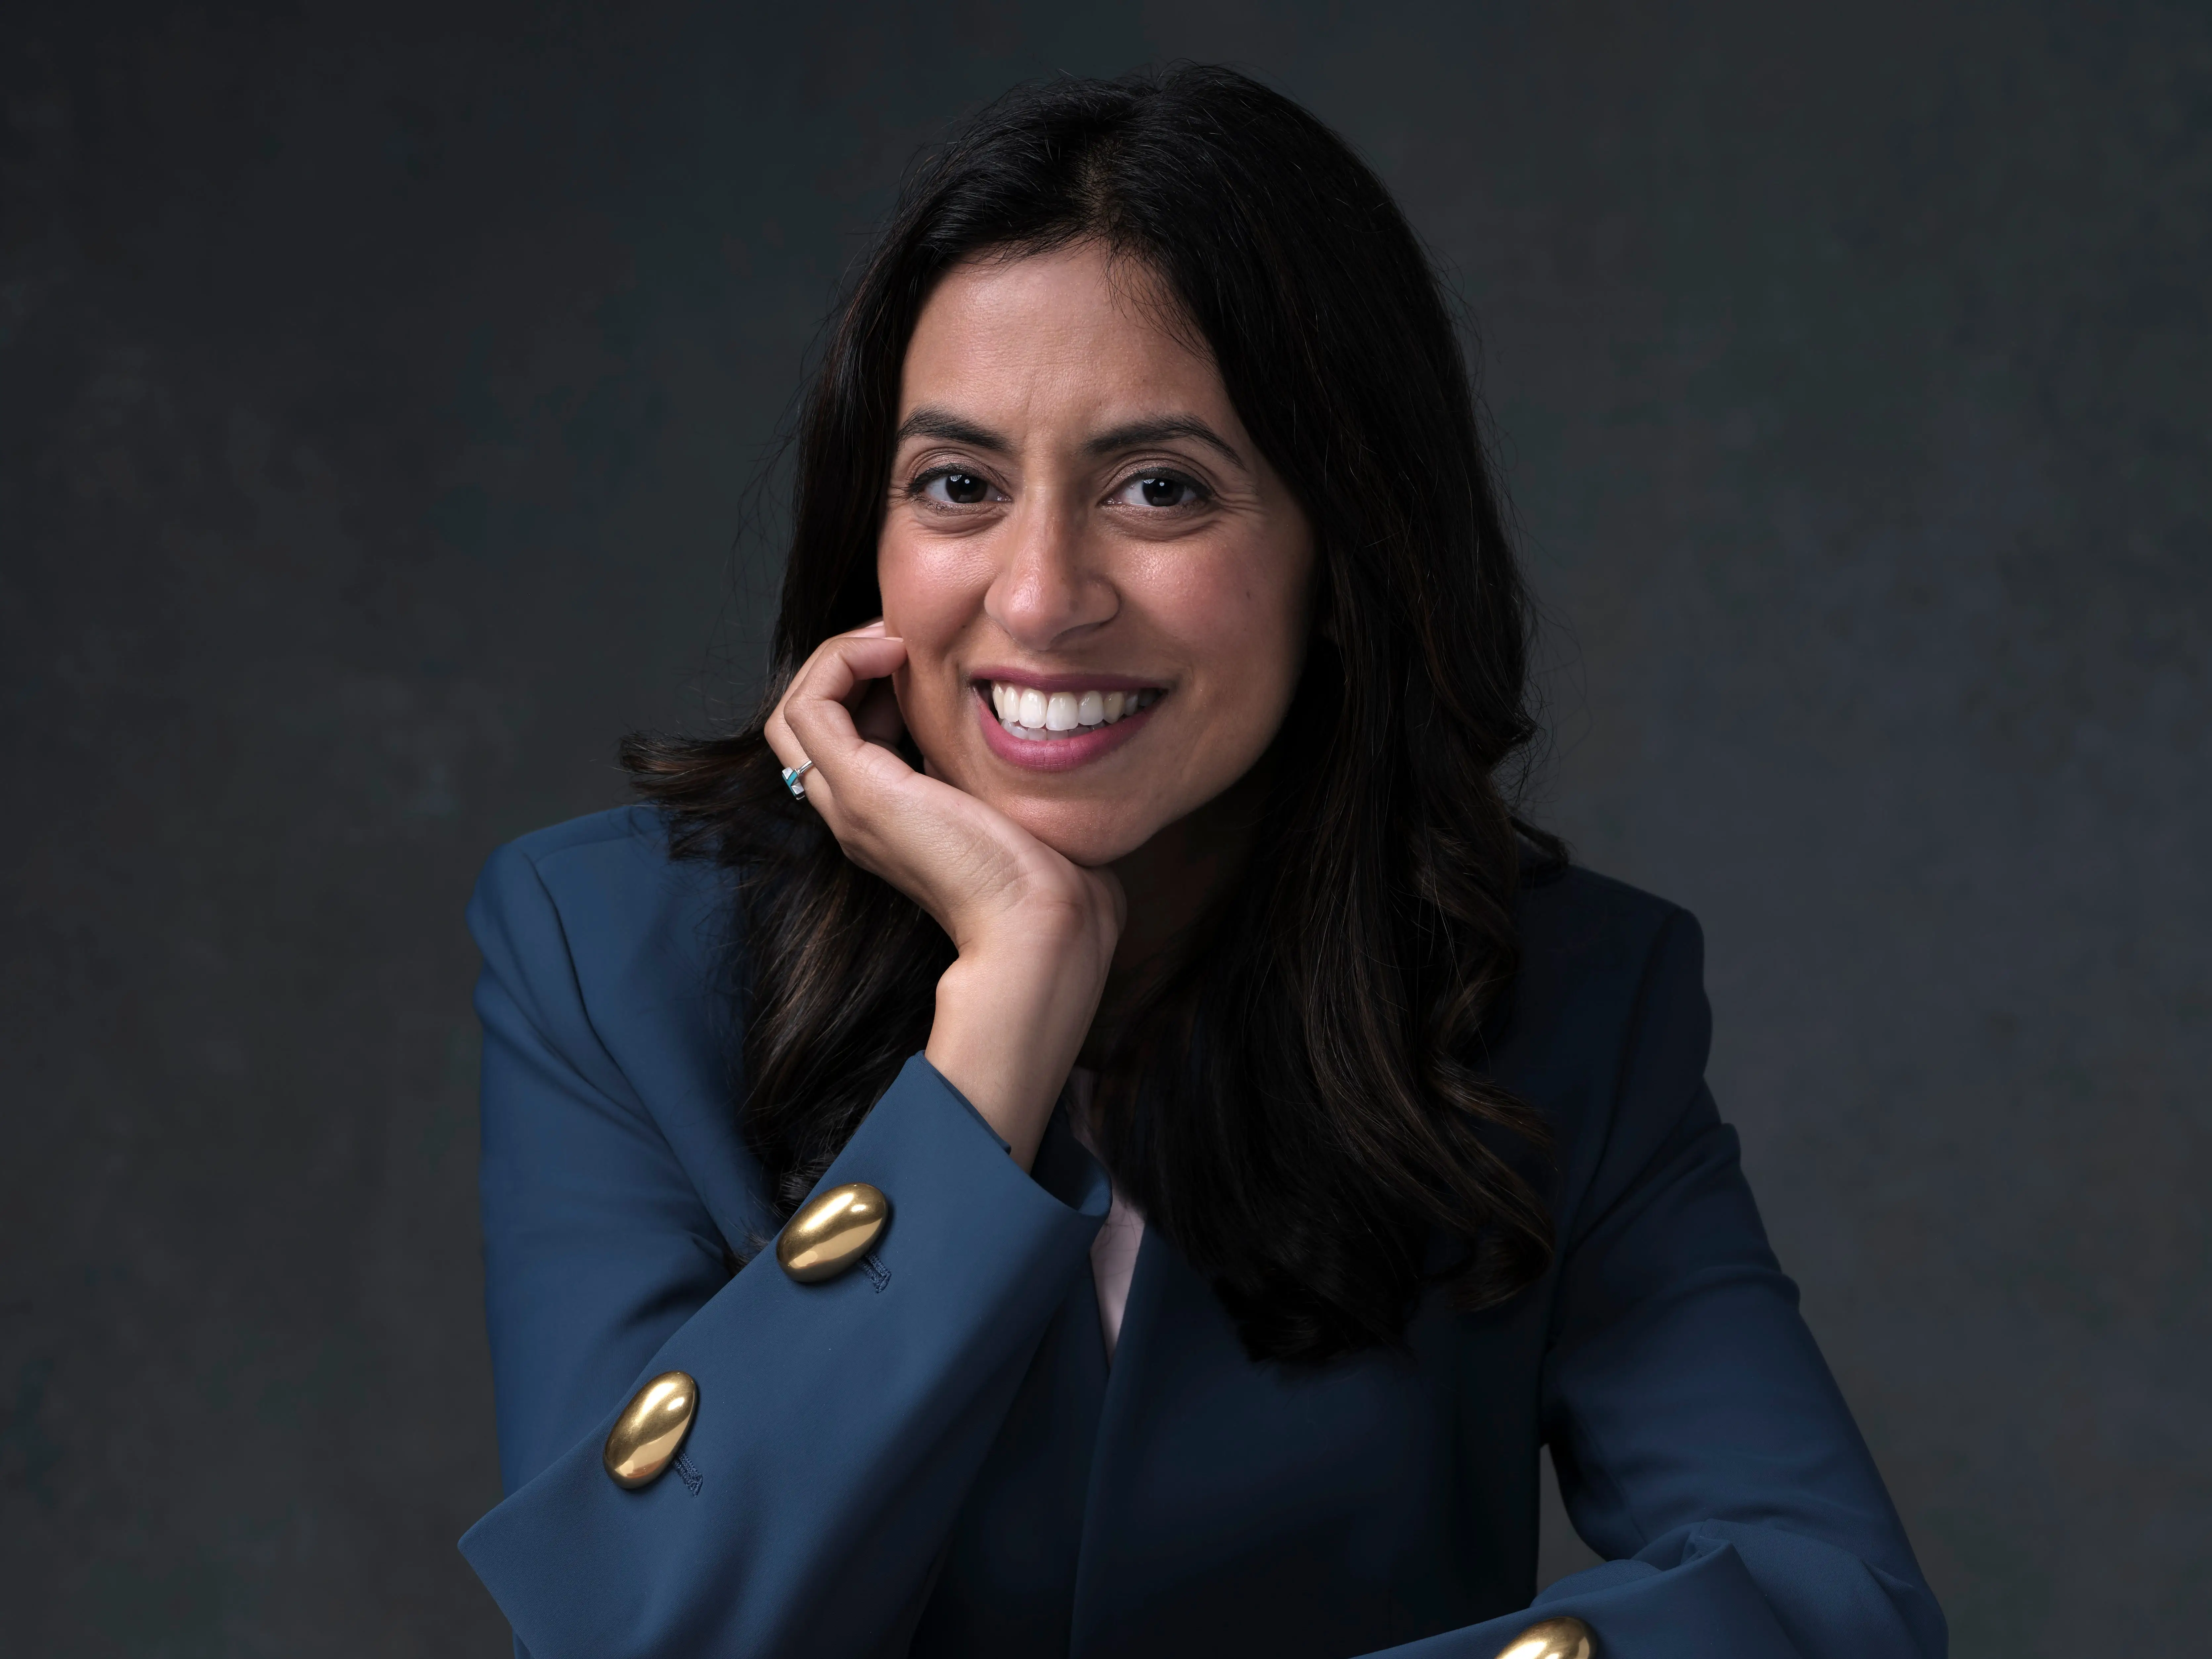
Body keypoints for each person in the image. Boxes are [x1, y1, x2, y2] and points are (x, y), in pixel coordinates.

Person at [455, 66, 1944, 1659]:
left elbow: (1827, 1604)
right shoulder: (610, 948)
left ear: (1344, 547)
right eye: (958, 485)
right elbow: (635, 1635)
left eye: (1161, 488)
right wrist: (999, 1023)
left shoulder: (1567, 997)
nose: (1038, 597)